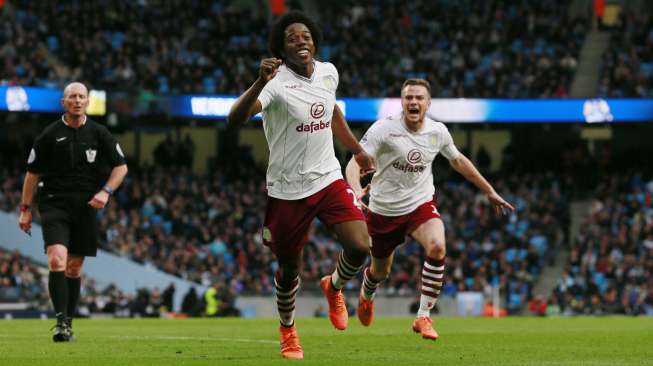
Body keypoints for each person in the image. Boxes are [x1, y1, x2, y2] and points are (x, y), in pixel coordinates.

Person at [228, 11, 376, 359]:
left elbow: (331, 113)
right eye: (292, 37)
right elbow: (235, 119)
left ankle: (333, 285)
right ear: (281, 46)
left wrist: (357, 150)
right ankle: (288, 330)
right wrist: (259, 82)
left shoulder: (328, 72)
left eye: (306, 35)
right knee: (289, 269)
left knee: (359, 246)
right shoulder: (275, 82)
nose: (300, 40)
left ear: (315, 41)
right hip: (287, 190)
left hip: (328, 178)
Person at [345, 78, 514, 341]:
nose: (413, 102)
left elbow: (458, 160)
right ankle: (367, 294)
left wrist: (489, 191)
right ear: (402, 102)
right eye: (408, 97)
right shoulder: (383, 129)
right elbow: (354, 163)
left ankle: (423, 316)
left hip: (420, 204)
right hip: (383, 210)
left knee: (437, 246)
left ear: (428, 103)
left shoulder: (438, 132)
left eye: (419, 98)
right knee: (381, 272)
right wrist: (355, 189)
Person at [18, 82, 128, 342]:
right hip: (54, 204)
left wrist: (105, 192)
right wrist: (25, 209)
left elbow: (121, 167)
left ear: (88, 101)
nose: (77, 101)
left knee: (74, 269)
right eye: (72, 97)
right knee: (57, 260)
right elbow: (31, 175)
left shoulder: (100, 134)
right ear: (63, 103)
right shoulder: (49, 135)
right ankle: (59, 323)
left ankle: (68, 321)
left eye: (81, 97)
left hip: (85, 207)